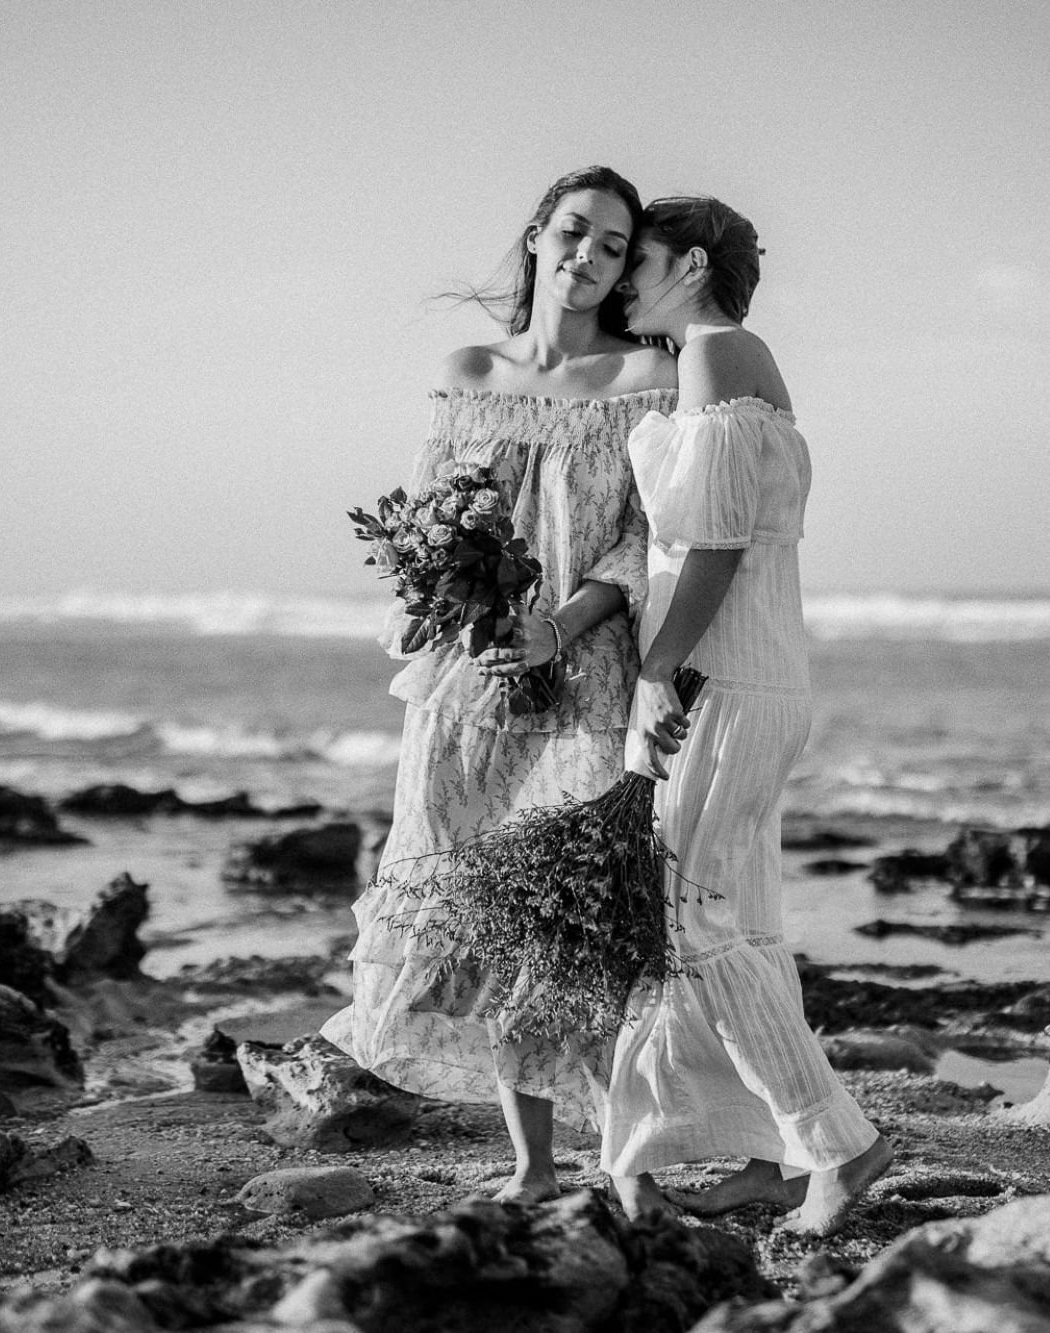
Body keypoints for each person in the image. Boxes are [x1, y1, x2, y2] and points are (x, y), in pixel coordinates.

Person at [323, 166, 677, 1204]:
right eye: (573, 231)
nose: (587, 256)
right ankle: (531, 1166)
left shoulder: (644, 377)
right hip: (468, 682)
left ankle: (622, 1161)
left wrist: (554, 628)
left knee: (571, 917)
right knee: (483, 906)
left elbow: (643, 540)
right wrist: (464, 616)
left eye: (612, 246)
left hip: (585, 678)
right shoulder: (469, 371)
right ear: (535, 236)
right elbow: (424, 525)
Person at [600, 196, 893, 1237]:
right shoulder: (731, 357)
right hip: (753, 676)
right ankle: (769, 1161)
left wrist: (655, 673)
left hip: (717, 681)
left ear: (689, 265)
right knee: (737, 920)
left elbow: (715, 543)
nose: (621, 281)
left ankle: (840, 1147)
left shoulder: (715, 354)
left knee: (695, 924)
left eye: (636, 260)